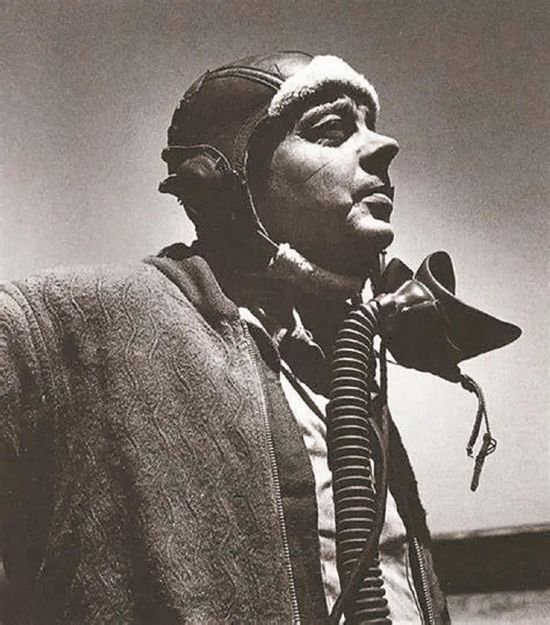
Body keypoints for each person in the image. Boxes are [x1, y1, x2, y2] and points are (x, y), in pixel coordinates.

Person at [0, 52, 450, 624]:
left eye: (369, 125)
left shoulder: (341, 347)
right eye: (331, 131)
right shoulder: (93, 318)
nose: (384, 146)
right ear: (223, 179)